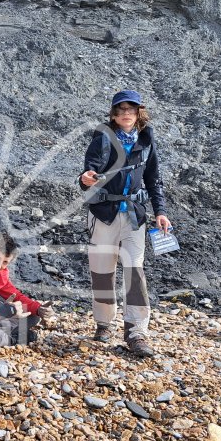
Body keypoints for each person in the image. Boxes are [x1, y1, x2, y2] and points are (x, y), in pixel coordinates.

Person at [79, 90, 171, 357]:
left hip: (135, 215)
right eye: (120, 110)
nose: (125, 114)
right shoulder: (102, 138)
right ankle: (104, 323)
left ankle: (136, 331)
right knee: (102, 271)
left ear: (138, 112)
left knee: (134, 271)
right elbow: (88, 170)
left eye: (130, 109)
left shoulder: (147, 139)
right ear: (114, 114)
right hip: (104, 213)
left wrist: (161, 212)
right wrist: (86, 178)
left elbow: (154, 179)